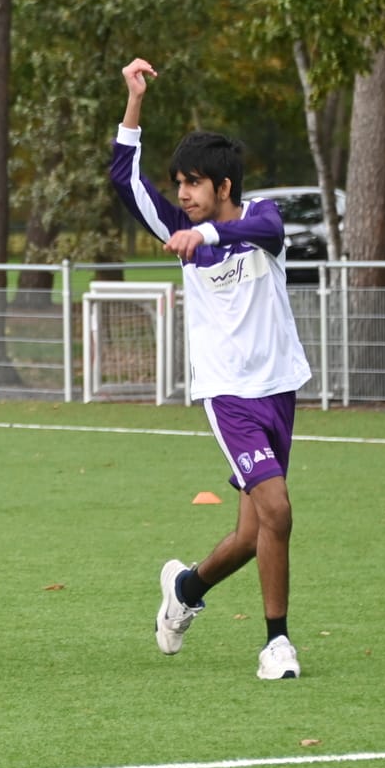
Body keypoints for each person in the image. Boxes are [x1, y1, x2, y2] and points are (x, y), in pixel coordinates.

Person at [110, 58, 311, 680]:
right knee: (278, 511)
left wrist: (211, 238)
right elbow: (125, 180)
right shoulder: (180, 230)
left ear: (223, 186)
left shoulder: (260, 219)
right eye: (179, 183)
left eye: (193, 183)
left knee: (253, 535)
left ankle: (186, 589)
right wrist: (134, 103)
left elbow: (265, 227)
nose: (183, 194)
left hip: (279, 388)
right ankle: (277, 644)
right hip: (229, 395)